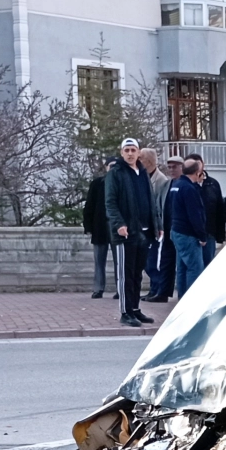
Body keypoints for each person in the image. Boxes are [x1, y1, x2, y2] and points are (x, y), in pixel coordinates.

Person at [103, 137, 154, 327]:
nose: (130, 153)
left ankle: (135, 308)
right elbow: (110, 202)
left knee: (137, 274)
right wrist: (119, 224)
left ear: (139, 152)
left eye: (133, 150)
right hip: (125, 232)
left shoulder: (142, 173)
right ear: (122, 152)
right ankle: (125, 312)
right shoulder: (116, 173)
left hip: (143, 231)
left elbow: (150, 200)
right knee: (125, 274)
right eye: (127, 150)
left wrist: (156, 226)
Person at [170, 158, 210, 297]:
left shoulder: (176, 185)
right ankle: (191, 301)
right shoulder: (189, 189)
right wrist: (202, 235)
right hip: (188, 234)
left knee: (182, 267)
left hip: (177, 230)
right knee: (195, 268)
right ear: (197, 172)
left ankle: (182, 297)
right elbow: (195, 214)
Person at [138, 148, 170, 301]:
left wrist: (159, 227)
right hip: (144, 225)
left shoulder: (161, 180)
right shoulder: (143, 176)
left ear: (148, 161)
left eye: (141, 158)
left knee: (153, 260)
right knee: (146, 260)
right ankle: (153, 289)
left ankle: (157, 288)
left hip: (155, 226)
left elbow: (160, 205)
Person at [184, 154, 226, 263]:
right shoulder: (185, 185)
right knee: (193, 266)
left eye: (198, 164)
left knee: (208, 264)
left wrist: (220, 235)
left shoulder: (212, 183)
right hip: (190, 234)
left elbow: (219, 209)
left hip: (209, 233)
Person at [153, 155, 184, 302]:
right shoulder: (166, 185)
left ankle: (183, 293)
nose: (171, 170)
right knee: (166, 261)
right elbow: (158, 206)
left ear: (182, 168)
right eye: (169, 167)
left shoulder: (185, 184)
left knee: (183, 263)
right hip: (167, 229)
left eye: (175, 167)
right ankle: (163, 292)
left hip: (182, 230)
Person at [81, 158, 111, 298]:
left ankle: (120, 289)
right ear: (106, 167)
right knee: (99, 261)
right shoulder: (97, 184)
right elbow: (89, 206)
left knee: (120, 261)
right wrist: (88, 226)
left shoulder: (123, 183)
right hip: (100, 227)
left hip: (118, 227)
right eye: (110, 166)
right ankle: (98, 288)